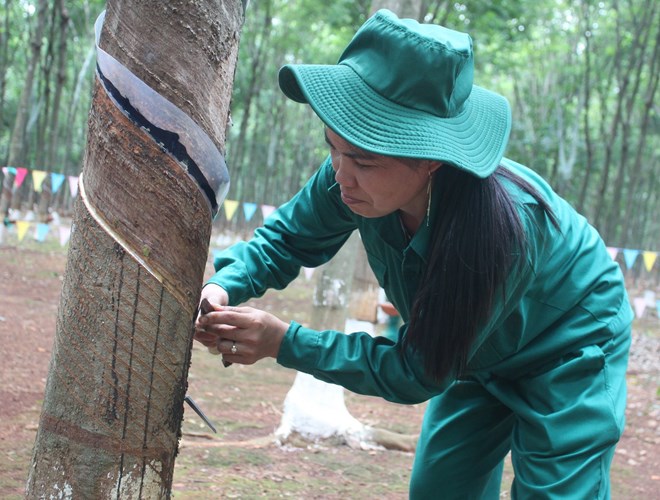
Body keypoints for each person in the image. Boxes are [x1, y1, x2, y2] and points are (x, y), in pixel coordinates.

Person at [194, 10, 632, 499]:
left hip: (567, 344)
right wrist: (223, 285)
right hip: (469, 351)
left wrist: (285, 342)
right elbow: (286, 238)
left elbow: (417, 370)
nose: (341, 174)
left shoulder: (499, 229)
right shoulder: (347, 176)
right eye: (332, 148)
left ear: (429, 159)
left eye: (362, 160)